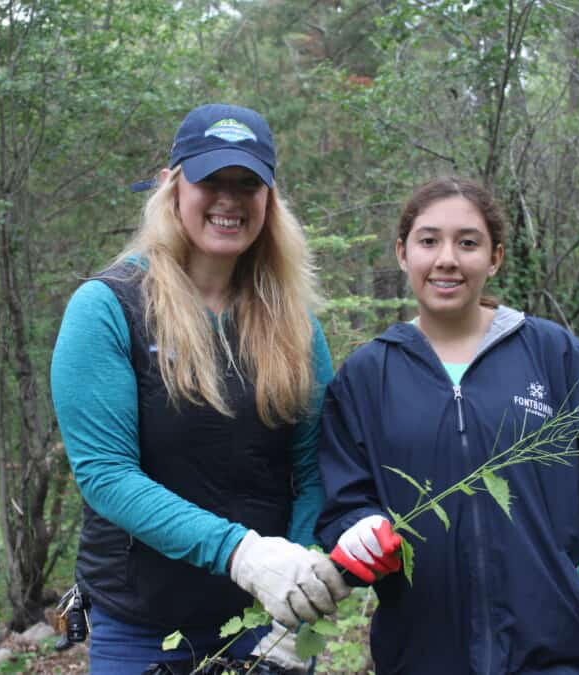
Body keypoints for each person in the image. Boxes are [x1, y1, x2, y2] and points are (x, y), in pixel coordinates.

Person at [315, 177, 579, 674]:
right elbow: (343, 500)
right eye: (429, 240)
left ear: (495, 257)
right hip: (421, 655)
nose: (447, 259)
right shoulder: (367, 376)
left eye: (468, 242)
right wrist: (357, 528)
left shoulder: (554, 355)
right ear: (402, 252)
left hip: (558, 653)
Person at [50, 103, 348, 674]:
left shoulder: (294, 323)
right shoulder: (108, 308)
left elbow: (314, 468)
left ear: (270, 199)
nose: (229, 200)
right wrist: (243, 552)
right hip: (143, 625)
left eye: (248, 183)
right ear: (172, 186)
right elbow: (106, 475)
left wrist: (301, 589)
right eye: (211, 179)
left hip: (267, 620)